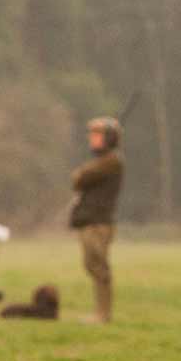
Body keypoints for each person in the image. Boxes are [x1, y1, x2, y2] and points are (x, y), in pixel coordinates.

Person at [69, 117, 124, 322]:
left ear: (109, 138)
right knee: (91, 265)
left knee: (99, 267)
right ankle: (100, 312)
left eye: (97, 135)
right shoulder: (103, 161)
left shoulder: (111, 161)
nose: (91, 139)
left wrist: (81, 173)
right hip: (89, 220)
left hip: (99, 222)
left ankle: (103, 314)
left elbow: (80, 178)